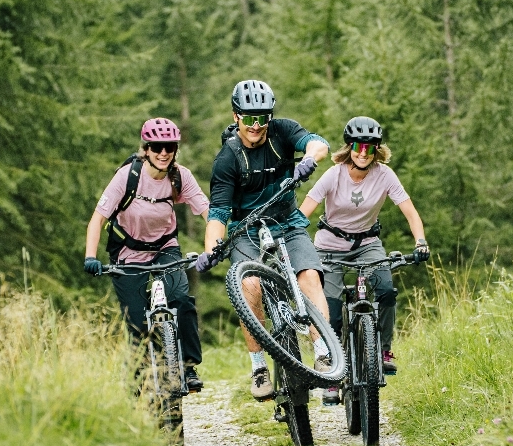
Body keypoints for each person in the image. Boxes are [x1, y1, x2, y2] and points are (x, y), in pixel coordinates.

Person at [195, 79, 333, 401]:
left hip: (287, 222)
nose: (256, 126)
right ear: (236, 117)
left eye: (262, 118)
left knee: (309, 277)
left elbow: (318, 143)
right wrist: (211, 249)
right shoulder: (227, 159)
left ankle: (324, 351)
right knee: (250, 286)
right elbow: (217, 215)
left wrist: (308, 160)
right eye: (248, 118)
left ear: (270, 117)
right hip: (246, 231)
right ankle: (259, 366)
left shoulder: (283, 132)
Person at [299, 116, 429, 403]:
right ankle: (332, 371)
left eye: (369, 147)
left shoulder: (385, 175)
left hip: (368, 244)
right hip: (329, 247)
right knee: (329, 305)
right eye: (357, 146)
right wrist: (293, 241)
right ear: (349, 146)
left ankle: (383, 350)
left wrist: (420, 241)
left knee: (385, 288)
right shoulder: (333, 174)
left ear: (375, 150)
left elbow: (410, 211)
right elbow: (303, 211)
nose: (362, 152)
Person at [84, 118, 209, 392]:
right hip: (128, 254)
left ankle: (188, 368)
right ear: (146, 148)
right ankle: (137, 386)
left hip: (165, 249)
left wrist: (215, 244)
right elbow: (97, 220)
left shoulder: (180, 176)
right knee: (138, 324)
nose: (163, 152)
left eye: (170, 147)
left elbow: (208, 212)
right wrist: (90, 257)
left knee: (182, 302)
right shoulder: (127, 176)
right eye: (157, 146)